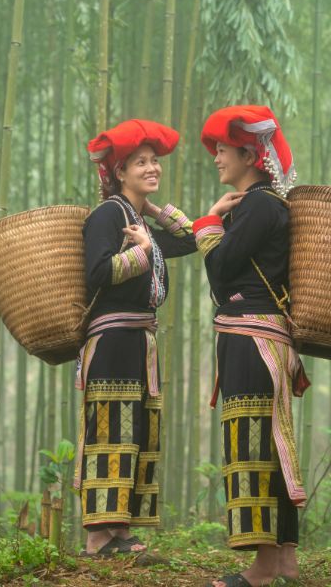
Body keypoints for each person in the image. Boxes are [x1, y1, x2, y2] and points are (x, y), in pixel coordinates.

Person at [75, 119, 240, 557]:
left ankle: (120, 530)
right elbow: (97, 273)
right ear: (119, 173)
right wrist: (142, 252)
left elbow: (187, 240)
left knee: (137, 427)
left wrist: (156, 213)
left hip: (138, 340)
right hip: (111, 340)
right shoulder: (107, 214)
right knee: (110, 427)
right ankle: (97, 536)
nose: (152, 168)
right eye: (140, 163)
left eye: (154, 161)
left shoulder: (132, 215)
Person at [191, 105, 309, 587]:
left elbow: (221, 272)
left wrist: (208, 221)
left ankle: (260, 567)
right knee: (273, 442)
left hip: (251, 340)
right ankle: (283, 560)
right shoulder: (264, 206)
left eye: (223, 149)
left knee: (253, 445)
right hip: (265, 338)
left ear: (250, 154)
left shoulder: (259, 205)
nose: (217, 157)